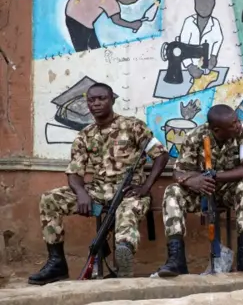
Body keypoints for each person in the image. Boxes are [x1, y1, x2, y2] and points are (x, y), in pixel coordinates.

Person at [28, 83, 170, 285]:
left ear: (112, 100)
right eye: (91, 100)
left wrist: (146, 186)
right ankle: (56, 263)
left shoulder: (133, 126)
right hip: (96, 191)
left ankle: (124, 255)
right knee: (50, 199)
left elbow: (161, 156)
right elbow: (75, 172)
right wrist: (80, 193)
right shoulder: (84, 135)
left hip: (130, 192)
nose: (96, 103)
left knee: (127, 210)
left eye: (101, 98)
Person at [156, 104, 243, 277]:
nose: (238, 125)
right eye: (232, 124)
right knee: (172, 191)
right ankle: (176, 259)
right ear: (217, 129)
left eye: (236, 121)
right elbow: (179, 172)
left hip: (231, 190)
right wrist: (193, 181)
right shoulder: (195, 137)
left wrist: (214, 176)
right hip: (201, 193)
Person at [65, 0, 144, 52]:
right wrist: (132, 25)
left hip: (77, 14)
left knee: (94, 50)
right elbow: (117, 20)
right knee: (84, 50)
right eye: (132, 1)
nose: (130, 3)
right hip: (76, 17)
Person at [179, 0, 224, 79]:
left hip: (206, 69)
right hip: (189, 70)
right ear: (195, 5)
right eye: (200, 5)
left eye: (207, 6)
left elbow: (218, 40)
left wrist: (213, 56)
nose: (203, 9)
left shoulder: (215, 23)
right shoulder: (189, 22)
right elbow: (182, 46)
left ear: (212, 6)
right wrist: (189, 66)